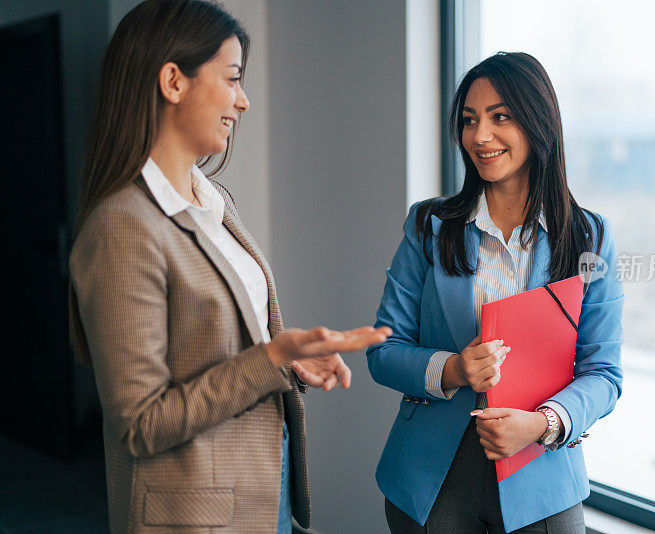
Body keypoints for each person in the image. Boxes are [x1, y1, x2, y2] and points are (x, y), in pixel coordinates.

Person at [68, 1, 390, 532]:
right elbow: (140, 424)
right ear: (173, 81)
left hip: (263, 489)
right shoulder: (123, 226)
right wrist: (271, 357)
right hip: (193, 515)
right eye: (233, 78)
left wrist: (288, 361)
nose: (243, 101)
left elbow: (222, 345)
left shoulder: (214, 201)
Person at [366, 52, 624, 533]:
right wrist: (454, 368)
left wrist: (545, 423)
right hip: (431, 478)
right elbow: (383, 351)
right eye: (469, 120)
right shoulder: (430, 226)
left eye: (500, 116)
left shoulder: (589, 236)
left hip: (540, 472)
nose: (480, 136)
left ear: (538, 122)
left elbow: (604, 372)